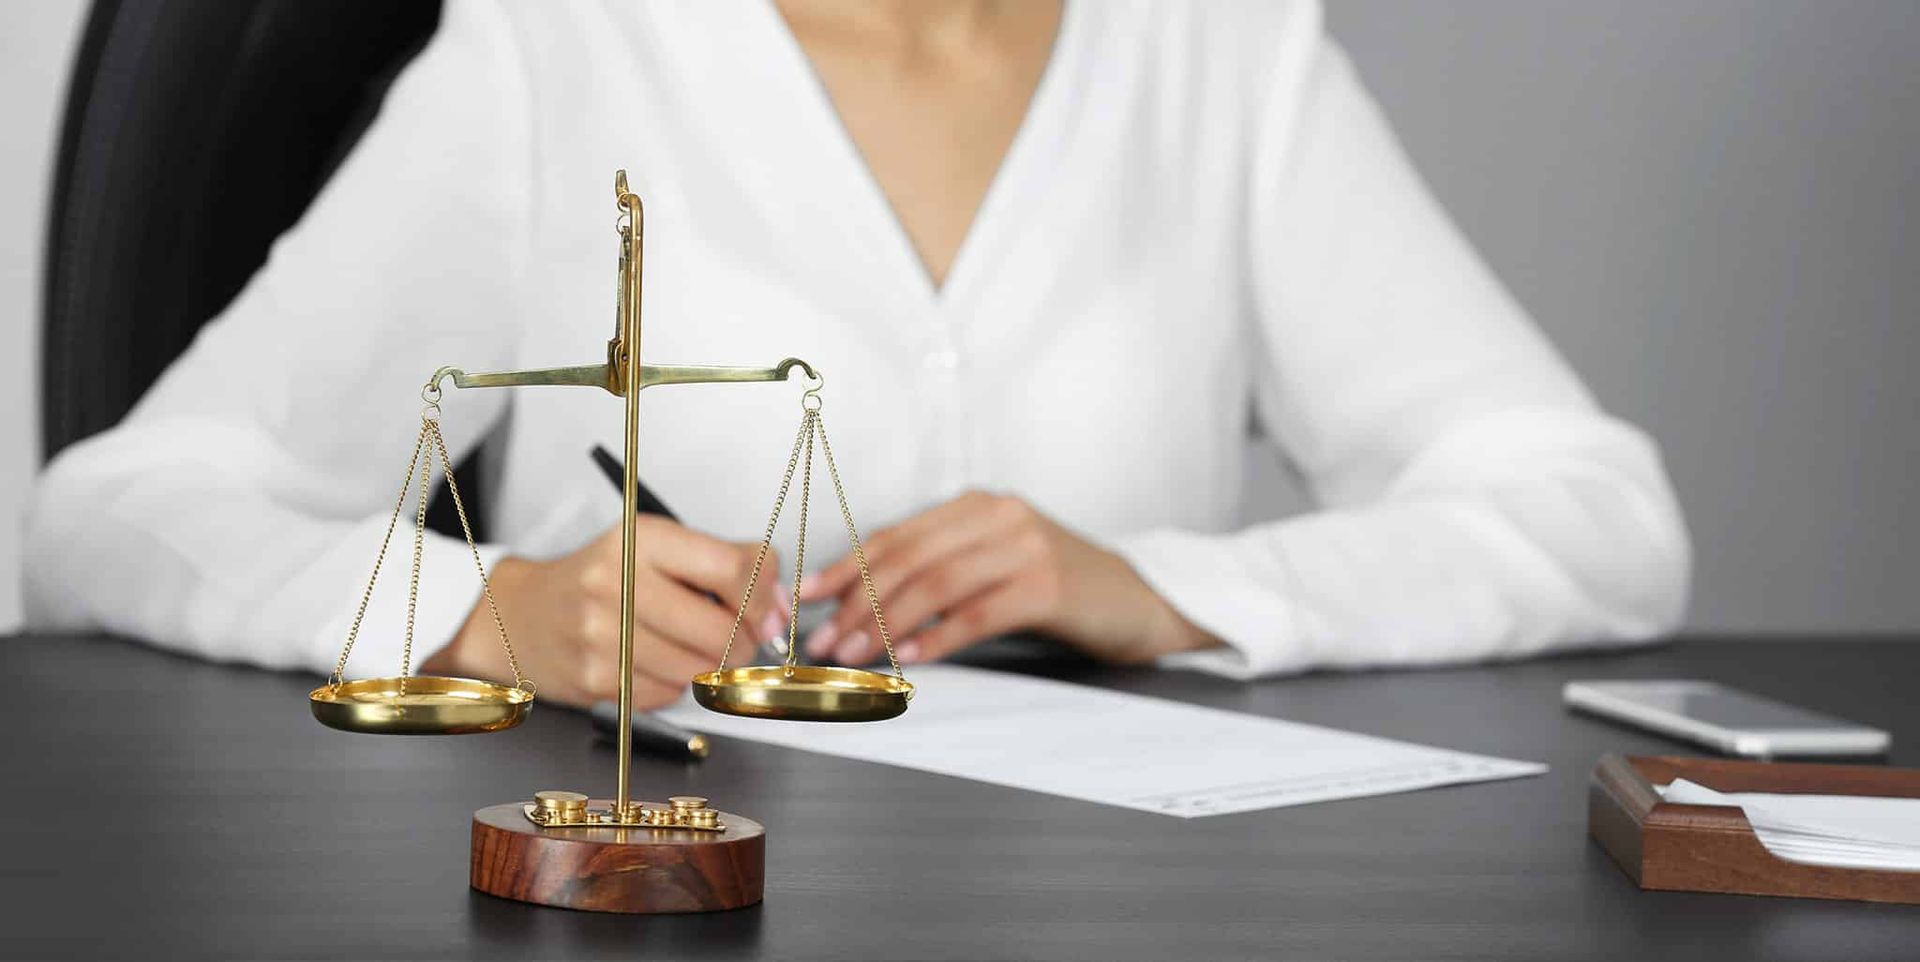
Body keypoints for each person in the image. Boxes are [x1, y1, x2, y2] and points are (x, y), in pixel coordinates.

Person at [25, 0, 1689, 709]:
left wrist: (1169, 589)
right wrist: (486, 614)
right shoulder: (570, 43)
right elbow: (115, 510)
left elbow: (1600, 516)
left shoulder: (1214, 47)